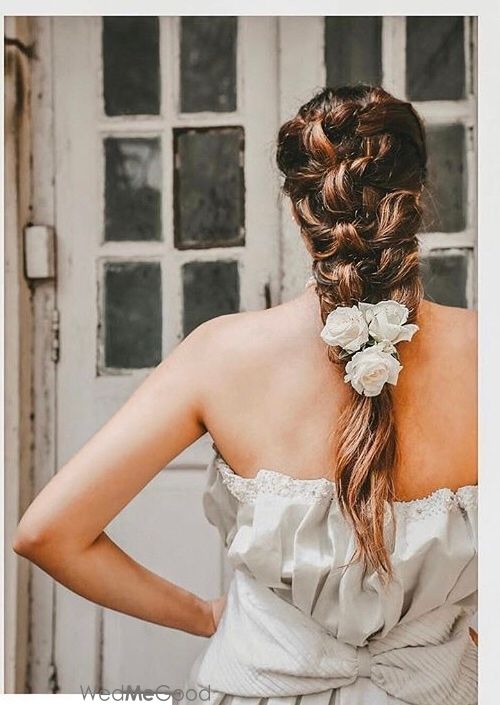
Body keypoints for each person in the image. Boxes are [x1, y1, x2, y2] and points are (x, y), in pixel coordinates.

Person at [13, 85, 477, 705]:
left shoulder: (219, 355)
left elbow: (46, 534)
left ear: (298, 209)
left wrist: (206, 615)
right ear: (416, 196)